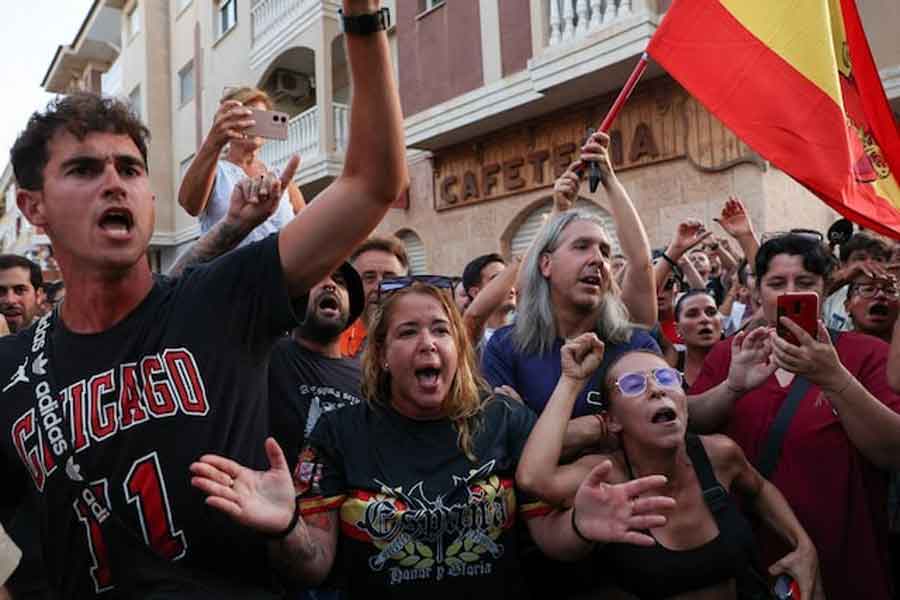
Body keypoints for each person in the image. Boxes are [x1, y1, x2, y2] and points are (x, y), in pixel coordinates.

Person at [0, 5, 408, 595]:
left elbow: (370, 181)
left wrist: (363, 17)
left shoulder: (223, 299)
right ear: (33, 208)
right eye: (85, 169)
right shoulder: (11, 372)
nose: (115, 182)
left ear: (148, 195)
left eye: (131, 168)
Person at [189, 281, 675, 598]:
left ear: (458, 349)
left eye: (441, 330)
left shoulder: (503, 419)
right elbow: (313, 566)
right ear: (380, 356)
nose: (428, 343)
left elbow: (551, 538)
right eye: (408, 332)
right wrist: (285, 527)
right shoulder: (338, 433)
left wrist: (581, 528)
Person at [517, 343, 822, 599]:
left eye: (666, 378)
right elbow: (533, 479)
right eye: (634, 385)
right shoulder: (606, 477)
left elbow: (760, 489)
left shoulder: (718, 454)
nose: (656, 390)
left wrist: (802, 544)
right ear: (612, 421)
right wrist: (571, 381)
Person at [688, 232, 900, 600]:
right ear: (757, 293)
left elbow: (890, 451)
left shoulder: (866, 354)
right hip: (754, 562)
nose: (789, 293)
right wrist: (732, 387)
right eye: (776, 283)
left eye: (804, 283)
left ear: (824, 289)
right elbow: (691, 428)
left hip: (848, 559)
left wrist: (834, 378)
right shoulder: (730, 354)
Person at [482, 131, 659, 418]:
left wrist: (610, 180)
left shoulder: (633, 346)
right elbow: (502, 444)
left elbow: (641, 265)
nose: (598, 260)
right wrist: (558, 210)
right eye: (581, 247)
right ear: (546, 265)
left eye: (605, 251)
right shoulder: (505, 348)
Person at [177, 86, 305, 246]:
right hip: (226, 270)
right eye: (247, 117)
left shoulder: (281, 177)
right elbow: (189, 205)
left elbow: (305, 229)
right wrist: (213, 142)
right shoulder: (215, 170)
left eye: (261, 119)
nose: (253, 124)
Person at [268, 262, 366, 469]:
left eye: (339, 282)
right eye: (315, 278)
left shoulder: (365, 378)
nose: (330, 285)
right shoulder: (265, 355)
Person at [338, 236, 409, 358]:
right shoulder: (333, 342)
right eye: (369, 278)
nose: (378, 287)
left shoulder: (422, 342)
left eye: (389, 278)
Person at [822, 231, 891, 331]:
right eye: (860, 259)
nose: (868, 264)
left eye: (877, 259)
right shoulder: (833, 293)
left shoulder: (892, 297)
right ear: (844, 264)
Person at [664, 290, 722, 390]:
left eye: (711, 313)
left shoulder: (740, 363)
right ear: (677, 329)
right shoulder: (666, 371)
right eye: (692, 314)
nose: (705, 319)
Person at [460, 253, 517, 349]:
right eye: (497, 280)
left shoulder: (526, 333)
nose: (508, 285)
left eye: (509, 279)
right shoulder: (468, 342)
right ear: (475, 293)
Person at [843, 274, 899, 342]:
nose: (880, 295)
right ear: (847, 306)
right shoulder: (833, 346)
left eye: (890, 291)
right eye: (868, 289)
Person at [0, 255, 44, 334]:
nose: (10, 300)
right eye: (0, 291)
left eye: (20, 290)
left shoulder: (55, 339)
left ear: (38, 296)